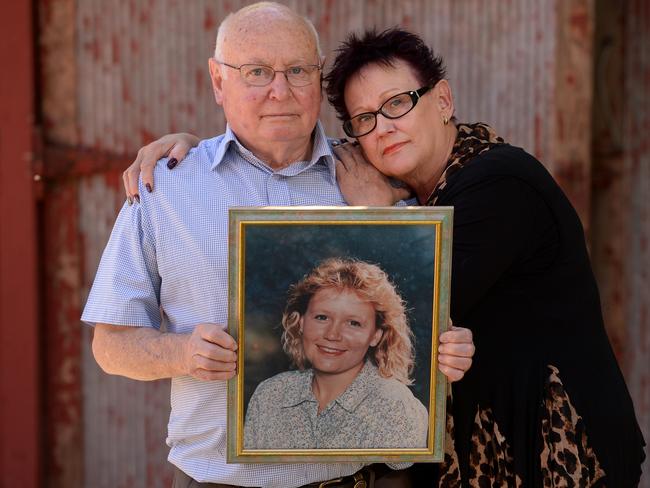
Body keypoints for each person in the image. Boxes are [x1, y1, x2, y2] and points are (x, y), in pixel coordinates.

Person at [128, 27, 646, 487]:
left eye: (398, 103)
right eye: (364, 119)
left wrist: (373, 210)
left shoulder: (499, 184)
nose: (384, 127)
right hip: (483, 444)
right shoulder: (418, 188)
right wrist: (198, 152)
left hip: (554, 444)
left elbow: (417, 301)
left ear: (442, 99)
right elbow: (263, 148)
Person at [84, 4, 475, 488]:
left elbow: (426, 321)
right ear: (218, 81)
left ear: (318, 77)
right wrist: (183, 353)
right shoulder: (165, 187)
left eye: (297, 70)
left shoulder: (373, 176)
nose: (279, 90)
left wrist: (449, 347)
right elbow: (110, 346)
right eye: (256, 72)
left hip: (361, 479)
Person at [244, 258, 428, 450]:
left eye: (353, 323)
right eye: (322, 317)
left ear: (375, 336)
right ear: (300, 323)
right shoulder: (270, 394)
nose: (332, 335)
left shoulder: (396, 407)